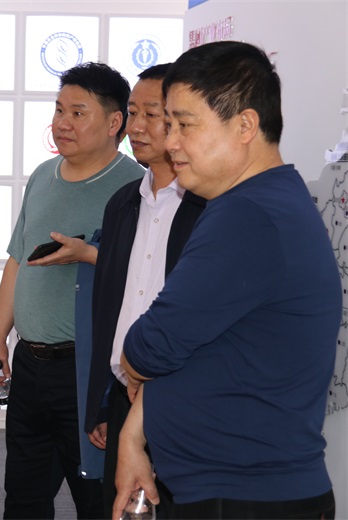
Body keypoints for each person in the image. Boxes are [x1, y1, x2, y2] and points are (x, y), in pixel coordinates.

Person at [112, 41, 340, 520]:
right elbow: (187, 341)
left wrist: (136, 363)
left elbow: (149, 348)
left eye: (185, 124)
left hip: (245, 495)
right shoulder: (260, 202)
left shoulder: (248, 216)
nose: (171, 142)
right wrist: (134, 433)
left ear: (245, 126)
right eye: (170, 124)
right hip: (236, 487)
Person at [0, 62, 144, 519]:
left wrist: (90, 254)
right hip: (31, 365)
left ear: (114, 122)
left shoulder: (135, 187)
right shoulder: (42, 175)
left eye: (78, 112)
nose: (62, 123)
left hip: (88, 371)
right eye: (58, 110)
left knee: (95, 500)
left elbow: (148, 277)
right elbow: (17, 260)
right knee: (23, 498)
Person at [83, 63, 206, 518]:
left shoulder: (207, 207)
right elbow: (107, 309)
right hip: (122, 394)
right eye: (132, 113)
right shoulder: (122, 203)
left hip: (181, 398)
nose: (135, 127)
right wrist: (99, 400)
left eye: (151, 114)